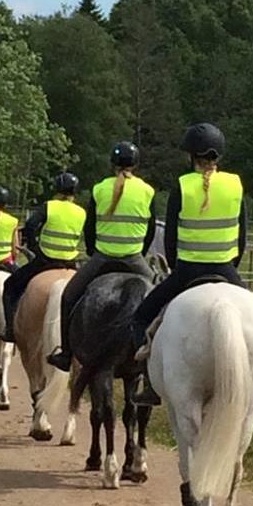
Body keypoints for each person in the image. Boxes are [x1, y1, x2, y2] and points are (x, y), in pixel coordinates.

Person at [130, 122, 247, 406]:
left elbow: (170, 235)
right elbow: (242, 234)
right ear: (218, 156)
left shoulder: (182, 186)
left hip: (187, 271)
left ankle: (147, 381)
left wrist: (173, 267)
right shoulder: (235, 185)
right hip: (225, 269)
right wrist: (232, 265)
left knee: (140, 317)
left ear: (191, 156)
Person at [47, 142, 156, 372]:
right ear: (136, 164)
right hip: (135, 259)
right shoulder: (147, 191)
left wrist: (92, 250)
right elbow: (151, 228)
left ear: (112, 164)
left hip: (103, 257)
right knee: (160, 301)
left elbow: (90, 227)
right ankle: (153, 358)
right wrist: (139, 251)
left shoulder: (99, 189)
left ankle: (66, 353)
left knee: (68, 296)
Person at [2, 171, 86, 341]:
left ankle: (10, 330)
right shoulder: (81, 212)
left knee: (10, 286)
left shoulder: (49, 206)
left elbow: (31, 225)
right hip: (70, 262)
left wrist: (35, 248)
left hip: (45, 261)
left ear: (57, 189)